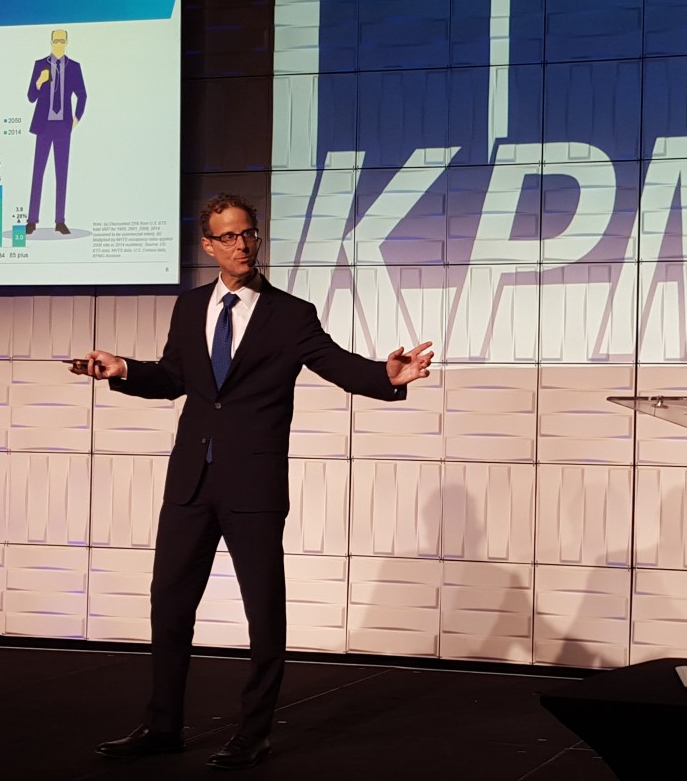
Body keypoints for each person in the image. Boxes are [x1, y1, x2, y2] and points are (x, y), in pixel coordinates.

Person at [74, 194, 433, 770]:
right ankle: (162, 726)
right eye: (229, 237)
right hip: (190, 482)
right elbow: (173, 378)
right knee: (169, 607)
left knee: (263, 614)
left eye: (249, 234)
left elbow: (335, 363)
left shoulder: (290, 314)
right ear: (208, 245)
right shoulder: (190, 307)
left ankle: (253, 733)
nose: (242, 245)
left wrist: (385, 376)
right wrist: (123, 370)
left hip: (254, 485)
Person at [25, 28, 86, 235]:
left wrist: (76, 118)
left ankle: (60, 221)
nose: (58, 44)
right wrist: (39, 81)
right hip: (43, 126)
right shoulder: (40, 65)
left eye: (62, 40)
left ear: (67, 42)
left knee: (62, 173)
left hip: (63, 126)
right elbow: (31, 97)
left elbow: (82, 94)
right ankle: (32, 220)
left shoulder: (74, 67)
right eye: (55, 40)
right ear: (50, 42)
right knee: (38, 172)